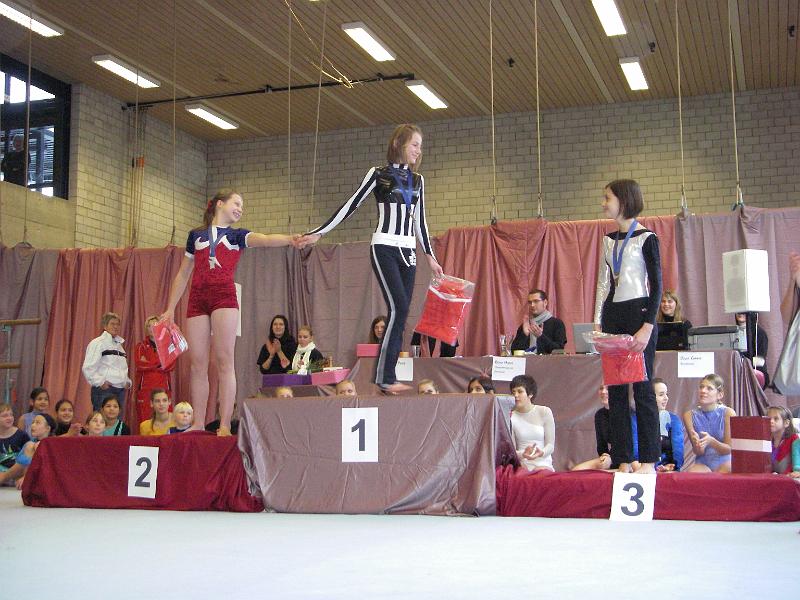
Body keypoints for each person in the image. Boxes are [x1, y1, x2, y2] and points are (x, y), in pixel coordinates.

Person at [298, 124, 443, 393]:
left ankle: (387, 374)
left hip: (408, 250)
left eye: (420, 146)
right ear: (399, 144)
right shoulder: (378, 174)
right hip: (384, 246)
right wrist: (320, 232)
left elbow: (420, 222)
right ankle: (385, 375)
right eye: (414, 144)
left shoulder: (418, 180)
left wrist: (430, 257)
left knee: (402, 312)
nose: (418, 150)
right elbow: (351, 204)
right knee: (398, 307)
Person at [160, 190, 298, 436]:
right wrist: (170, 308)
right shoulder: (195, 235)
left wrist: (290, 239)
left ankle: (224, 423)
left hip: (224, 297)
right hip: (197, 299)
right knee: (197, 364)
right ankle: (198, 423)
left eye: (242, 206)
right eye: (237, 203)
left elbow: (265, 239)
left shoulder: (237, 235)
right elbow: (183, 273)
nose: (240, 209)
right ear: (219, 204)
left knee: (224, 361)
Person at [593, 179, 662, 474]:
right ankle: (622, 457)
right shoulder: (608, 240)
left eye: (607, 198)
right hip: (613, 315)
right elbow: (603, 283)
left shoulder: (647, 238)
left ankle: (648, 459)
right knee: (617, 391)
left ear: (623, 200)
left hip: (639, 313)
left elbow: (657, 286)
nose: (603, 203)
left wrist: (647, 326)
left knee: (643, 389)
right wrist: (597, 322)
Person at [683, 374, 735, 473]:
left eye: (709, 388)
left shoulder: (728, 413)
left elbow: (729, 449)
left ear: (720, 395)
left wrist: (711, 441)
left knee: (728, 470)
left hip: (725, 462)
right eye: (701, 387)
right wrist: (698, 445)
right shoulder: (689, 415)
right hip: (703, 462)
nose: (703, 390)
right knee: (693, 472)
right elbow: (698, 452)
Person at [82, 312, 131, 413]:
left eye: (117, 324)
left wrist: (126, 381)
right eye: (112, 324)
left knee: (116, 421)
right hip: (105, 390)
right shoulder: (98, 343)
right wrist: (100, 382)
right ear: (105, 326)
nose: (115, 327)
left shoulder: (119, 347)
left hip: (120, 390)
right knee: (101, 420)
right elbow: (88, 367)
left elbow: (122, 368)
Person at [509, 374, 555, 472]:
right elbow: (512, 451)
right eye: (513, 392)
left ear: (530, 394)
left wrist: (541, 452)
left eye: (520, 391)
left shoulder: (544, 411)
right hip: (523, 464)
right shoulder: (511, 416)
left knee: (541, 472)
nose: (516, 395)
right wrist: (523, 454)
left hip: (543, 463)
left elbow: (550, 445)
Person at [134, 315, 175, 422]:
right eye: (149, 326)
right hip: (145, 388)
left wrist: (150, 363)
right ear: (146, 329)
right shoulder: (141, 346)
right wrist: (160, 363)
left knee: (165, 418)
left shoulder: (167, 345)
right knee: (145, 419)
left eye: (155, 325)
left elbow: (171, 365)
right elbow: (140, 364)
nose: (152, 328)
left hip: (163, 386)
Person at [0, 413, 56, 489]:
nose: (33, 425)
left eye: (37, 422)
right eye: (33, 422)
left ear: (48, 428)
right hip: (14, 479)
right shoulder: (31, 443)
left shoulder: (49, 444)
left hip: (38, 482)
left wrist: (26, 477)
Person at [510, 289, 567, 355]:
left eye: (536, 301)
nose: (532, 305)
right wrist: (525, 335)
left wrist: (540, 336)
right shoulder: (525, 325)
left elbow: (559, 350)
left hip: (548, 361)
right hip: (527, 361)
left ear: (545, 302)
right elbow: (514, 351)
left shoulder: (557, 323)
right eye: (530, 302)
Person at [652, 378, 684, 471]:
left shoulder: (673, 419)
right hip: (641, 468)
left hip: (668, 469)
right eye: (661, 394)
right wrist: (654, 467)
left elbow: (678, 450)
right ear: (649, 397)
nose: (666, 398)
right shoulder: (636, 419)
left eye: (667, 394)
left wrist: (673, 465)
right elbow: (635, 450)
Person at [735, 312, 769, 386]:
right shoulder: (733, 332)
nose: (740, 314)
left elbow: (760, 359)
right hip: (737, 373)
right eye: (738, 311)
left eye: (744, 312)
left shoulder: (759, 333)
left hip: (754, 373)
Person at [1, 403, 30, 483]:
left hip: (17, 477)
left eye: (11, 415)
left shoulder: (22, 435)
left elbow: (29, 458)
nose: (9, 418)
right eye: (5, 416)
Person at [768, 406, 800, 477]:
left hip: (789, 477)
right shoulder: (765, 439)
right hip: (771, 478)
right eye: (768, 418)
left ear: (786, 423)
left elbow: (796, 461)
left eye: (776, 419)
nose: (771, 421)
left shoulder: (794, 439)